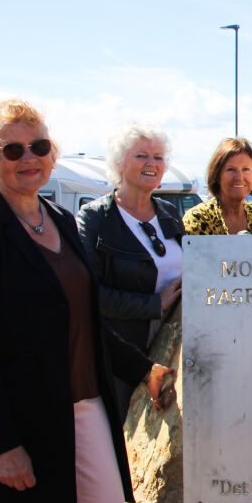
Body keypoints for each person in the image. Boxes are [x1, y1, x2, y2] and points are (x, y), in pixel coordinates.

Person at [0, 99, 172, 503]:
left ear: (52, 153)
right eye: (13, 149)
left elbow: (82, 320)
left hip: (84, 402)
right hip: (23, 415)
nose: (29, 157)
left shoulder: (61, 221)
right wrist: (2, 444)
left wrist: (141, 368)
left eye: (39, 146)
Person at [76, 123, 184, 422]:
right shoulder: (95, 218)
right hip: (122, 357)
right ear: (119, 163)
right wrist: (154, 304)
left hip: (174, 348)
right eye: (141, 156)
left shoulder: (170, 214)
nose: (151, 164)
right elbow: (88, 294)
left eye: (158, 157)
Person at [182, 137, 252, 235]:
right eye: (231, 169)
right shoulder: (198, 218)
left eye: (246, 169)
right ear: (217, 174)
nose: (239, 177)